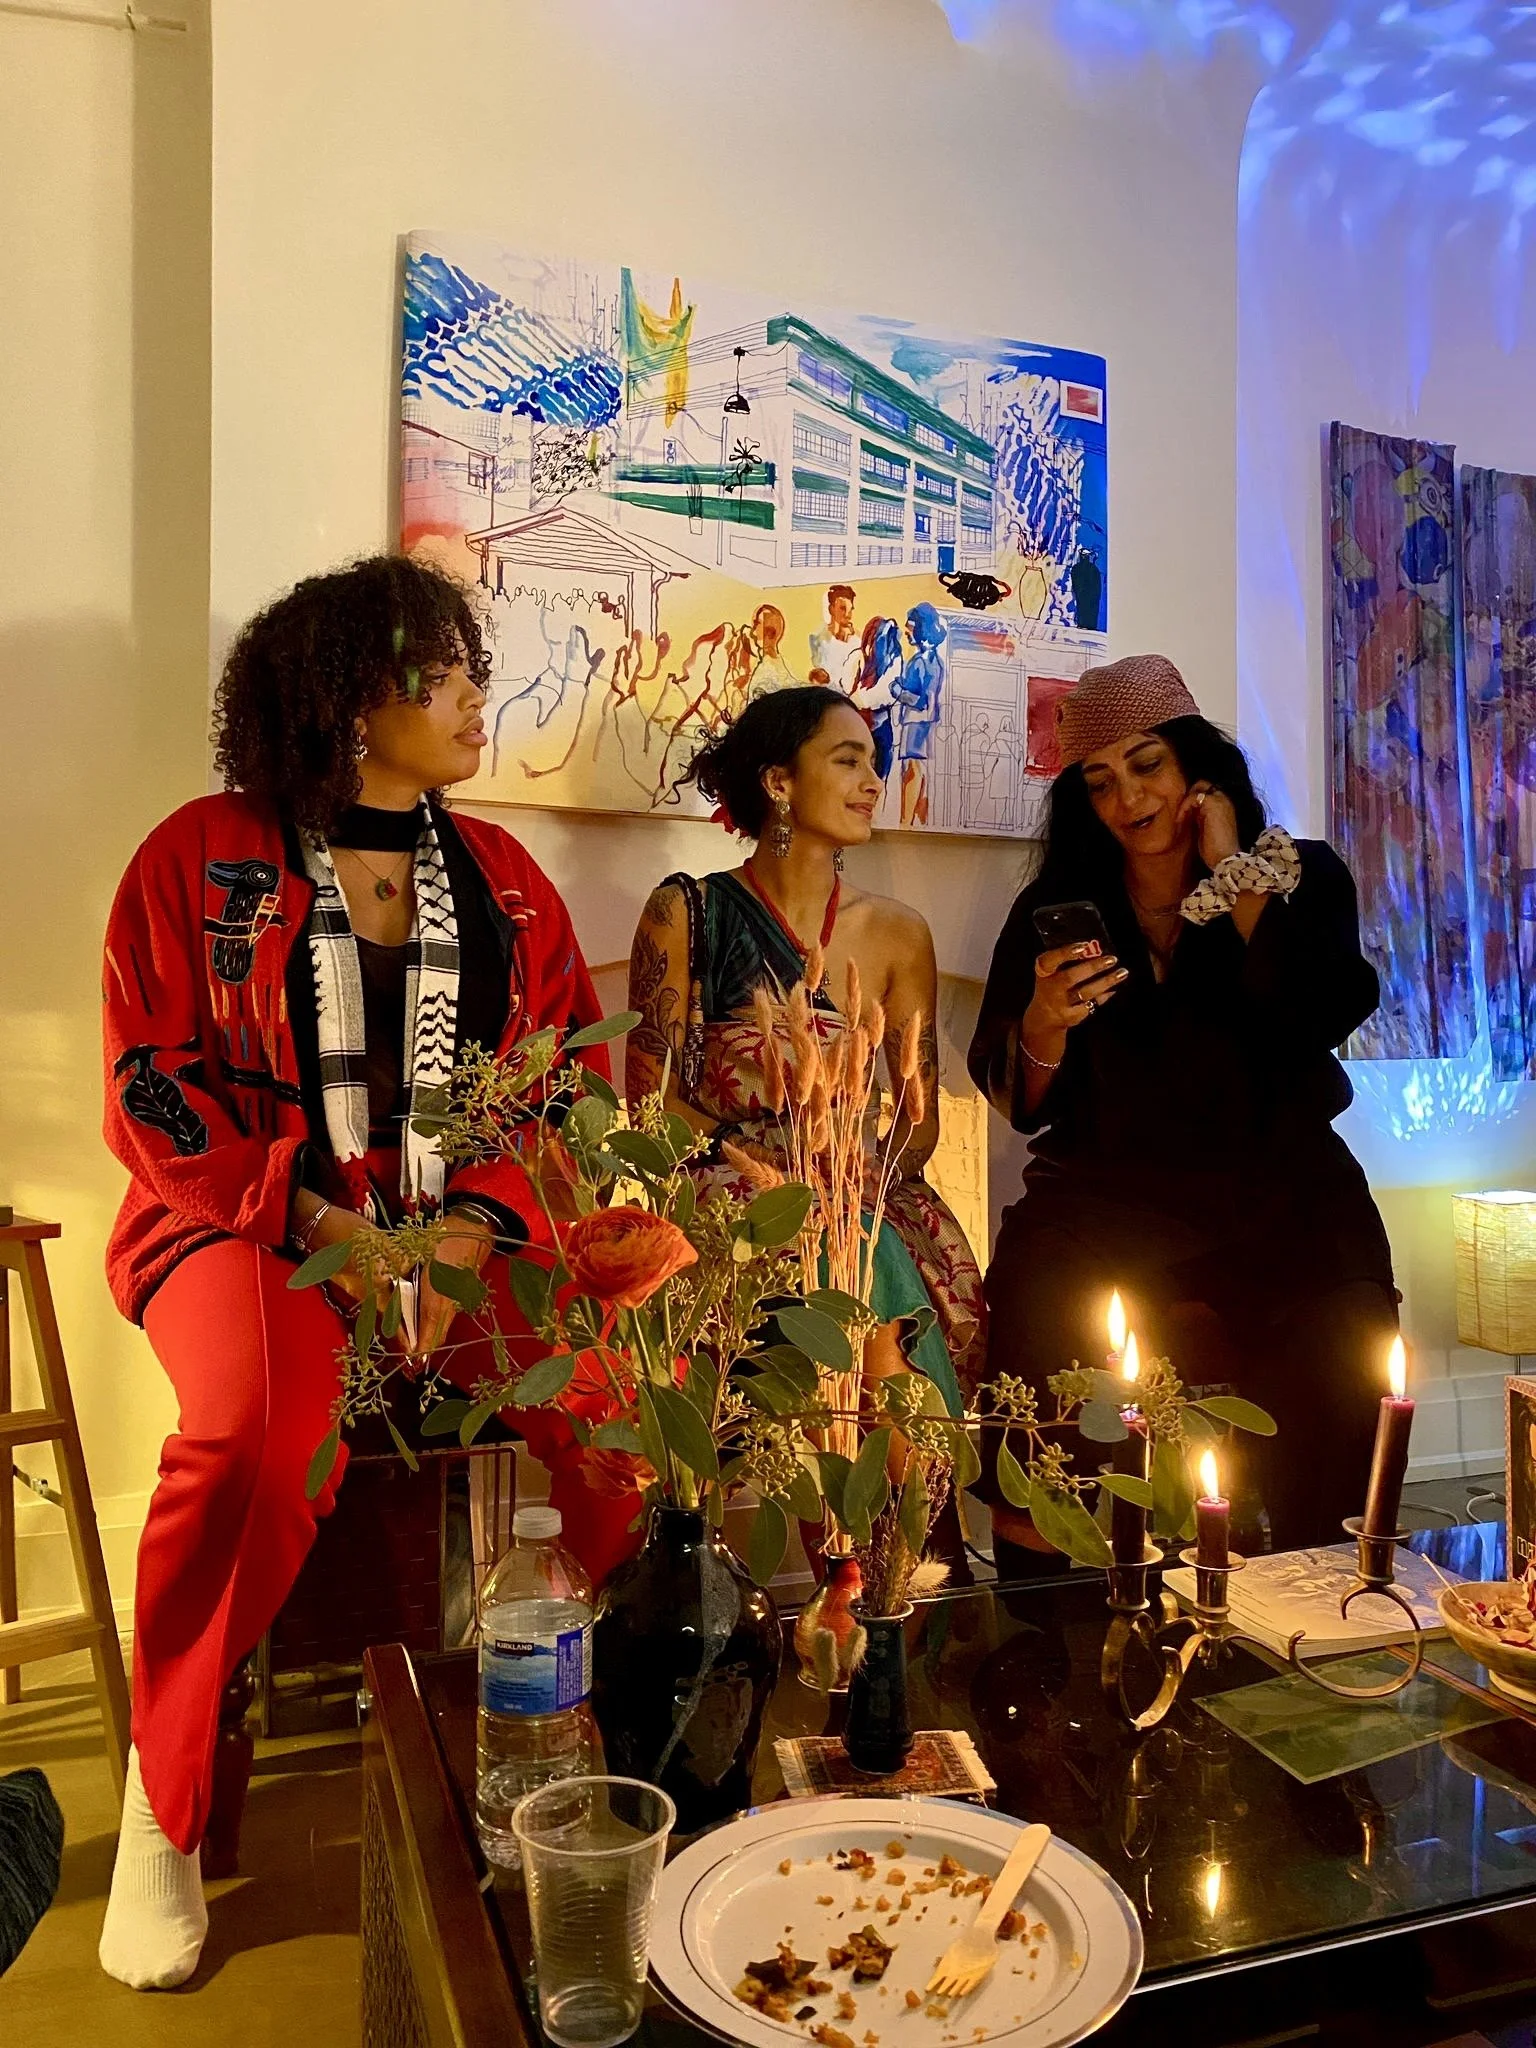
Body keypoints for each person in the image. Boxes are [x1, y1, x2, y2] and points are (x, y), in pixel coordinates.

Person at [97, 556, 613, 1990]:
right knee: (255, 1437)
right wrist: (322, 1219)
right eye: (440, 671)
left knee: (622, 1403)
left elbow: (565, 1087)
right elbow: (148, 1088)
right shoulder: (197, 853)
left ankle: (564, 1712)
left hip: (457, 1226)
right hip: (245, 1218)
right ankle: (163, 1791)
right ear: (346, 693)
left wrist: (473, 1226)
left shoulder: (505, 879)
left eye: (471, 667)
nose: (474, 695)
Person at [968, 654, 1397, 1567]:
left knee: (1346, 1330)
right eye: (1099, 780)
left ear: (1196, 765)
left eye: (1146, 764)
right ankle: (1047, 1592)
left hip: (1285, 1196)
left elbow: (1324, 1010)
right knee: (1039, 1299)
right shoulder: (1060, 907)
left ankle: (1320, 1577)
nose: (1127, 797)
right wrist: (1045, 1021)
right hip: (1109, 1200)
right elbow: (1017, 1100)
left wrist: (1234, 875)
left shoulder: (1298, 874)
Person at [626, 686, 987, 1415]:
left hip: (859, 1192)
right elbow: (650, 1103)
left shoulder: (899, 933)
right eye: (848, 760)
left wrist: (851, 1182)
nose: (873, 782)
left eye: (875, 763)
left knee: (868, 1260)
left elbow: (916, 1120)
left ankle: (898, 1471)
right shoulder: (686, 911)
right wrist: (765, 1178)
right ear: (778, 782)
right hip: (728, 1193)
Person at [809, 583, 861, 693]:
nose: (848, 615)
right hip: (827, 696)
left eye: (851, 609)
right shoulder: (817, 640)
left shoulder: (858, 642)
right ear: (831, 609)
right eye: (842, 608)